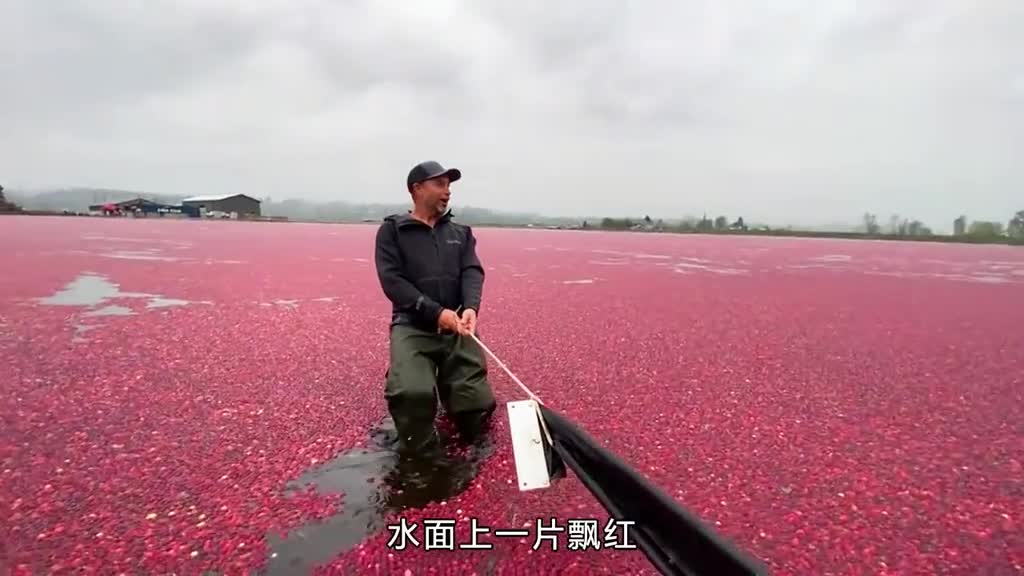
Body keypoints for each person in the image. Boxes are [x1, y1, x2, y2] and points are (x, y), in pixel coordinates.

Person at [374, 160, 497, 455]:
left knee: (476, 403)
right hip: (413, 326)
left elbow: (472, 271)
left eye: (449, 185)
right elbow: (393, 281)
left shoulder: (461, 233)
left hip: (458, 327)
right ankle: (421, 455)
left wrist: (471, 307)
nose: (448, 191)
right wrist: (435, 312)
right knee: (411, 393)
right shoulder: (392, 232)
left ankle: (467, 440)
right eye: (440, 184)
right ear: (417, 189)